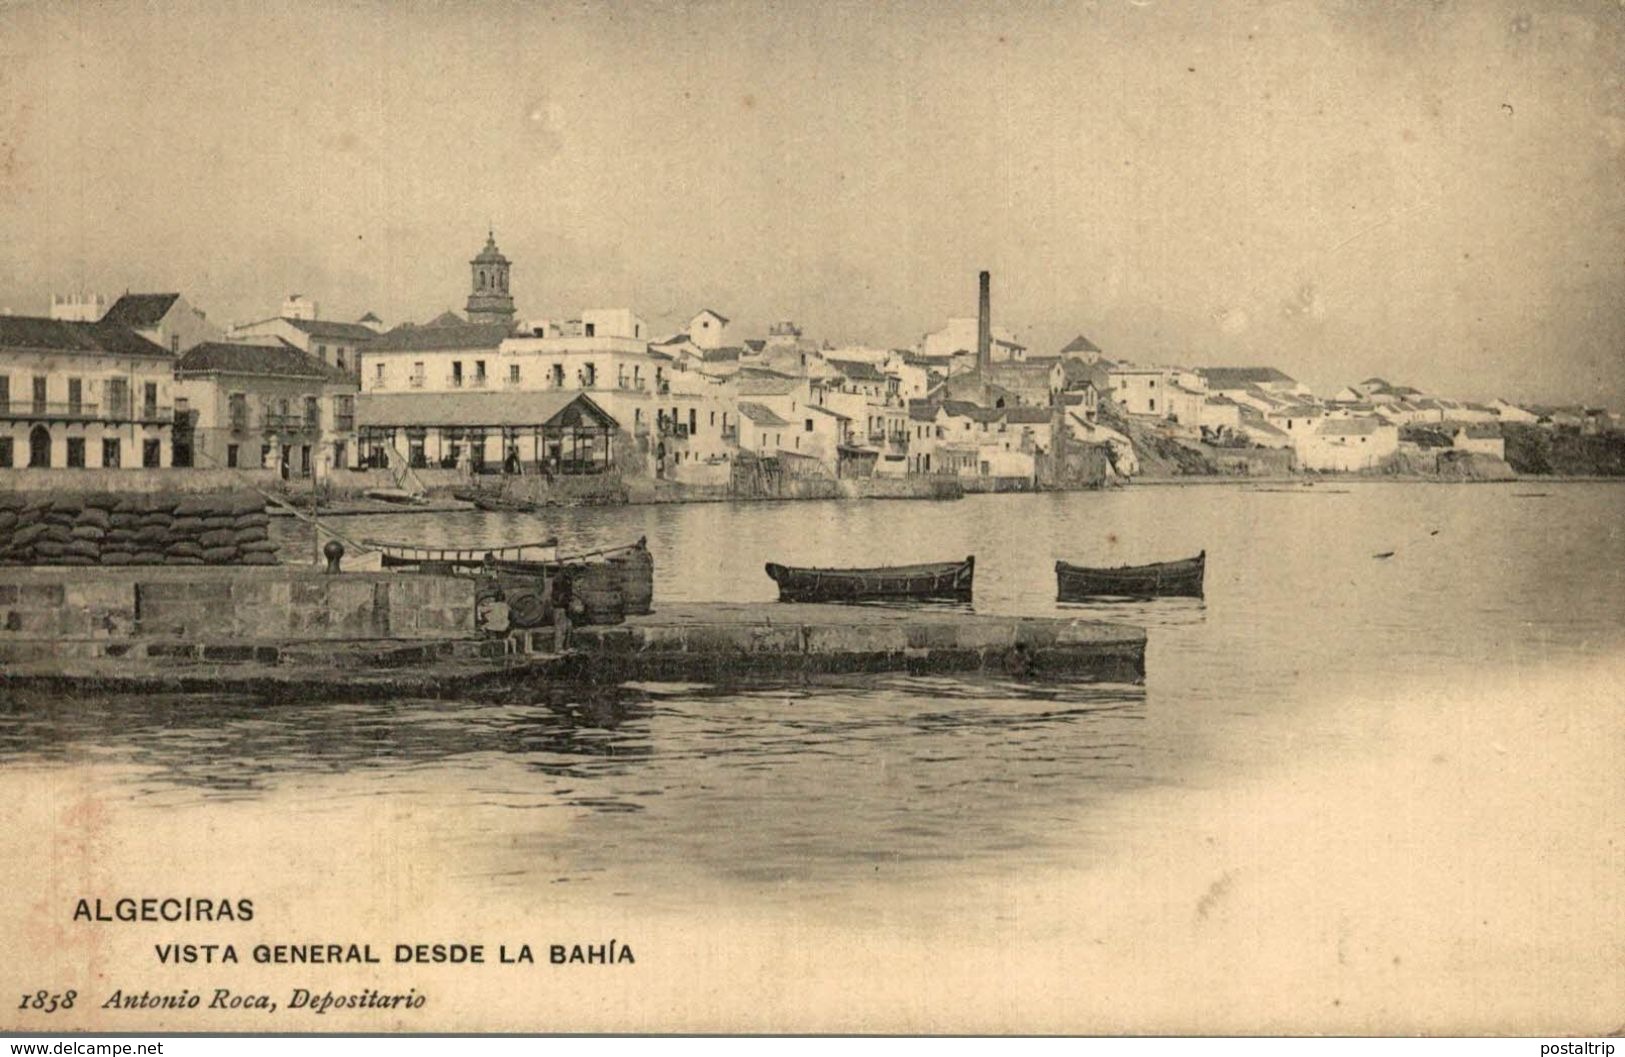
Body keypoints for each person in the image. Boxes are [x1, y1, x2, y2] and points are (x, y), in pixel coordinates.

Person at [550, 568, 574, 653]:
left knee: (568, 627)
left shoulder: (561, 581)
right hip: (559, 608)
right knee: (561, 628)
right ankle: (558, 648)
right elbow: (560, 599)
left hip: (564, 608)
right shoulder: (559, 584)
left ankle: (566, 646)